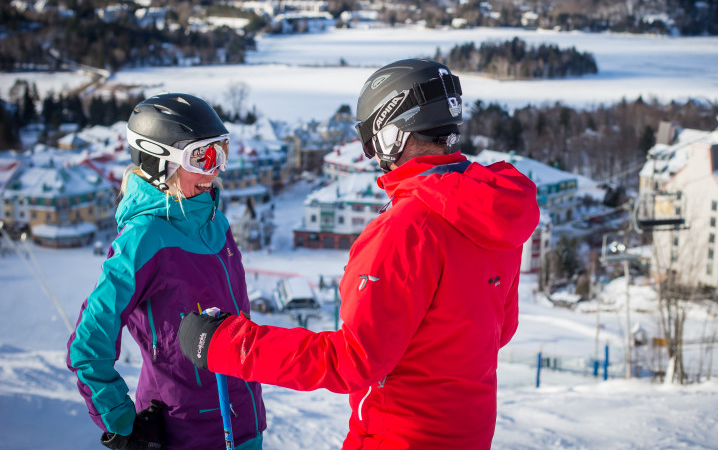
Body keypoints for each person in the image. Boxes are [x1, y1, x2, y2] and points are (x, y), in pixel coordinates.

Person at [178, 59, 540, 449]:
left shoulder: (407, 230)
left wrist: (227, 344)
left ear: (392, 135)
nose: (373, 156)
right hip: (468, 434)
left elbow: (351, 362)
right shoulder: (491, 208)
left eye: (371, 141)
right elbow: (500, 330)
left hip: (396, 437)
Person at [66, 93, 266, 450]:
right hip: (186, 432)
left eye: (221, 153)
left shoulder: (215, 223)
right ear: (162, 162)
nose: (216, 168)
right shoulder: (143, 239)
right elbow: (88, 343)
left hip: (244, 422)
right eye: (203, 157)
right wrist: (121, 423)